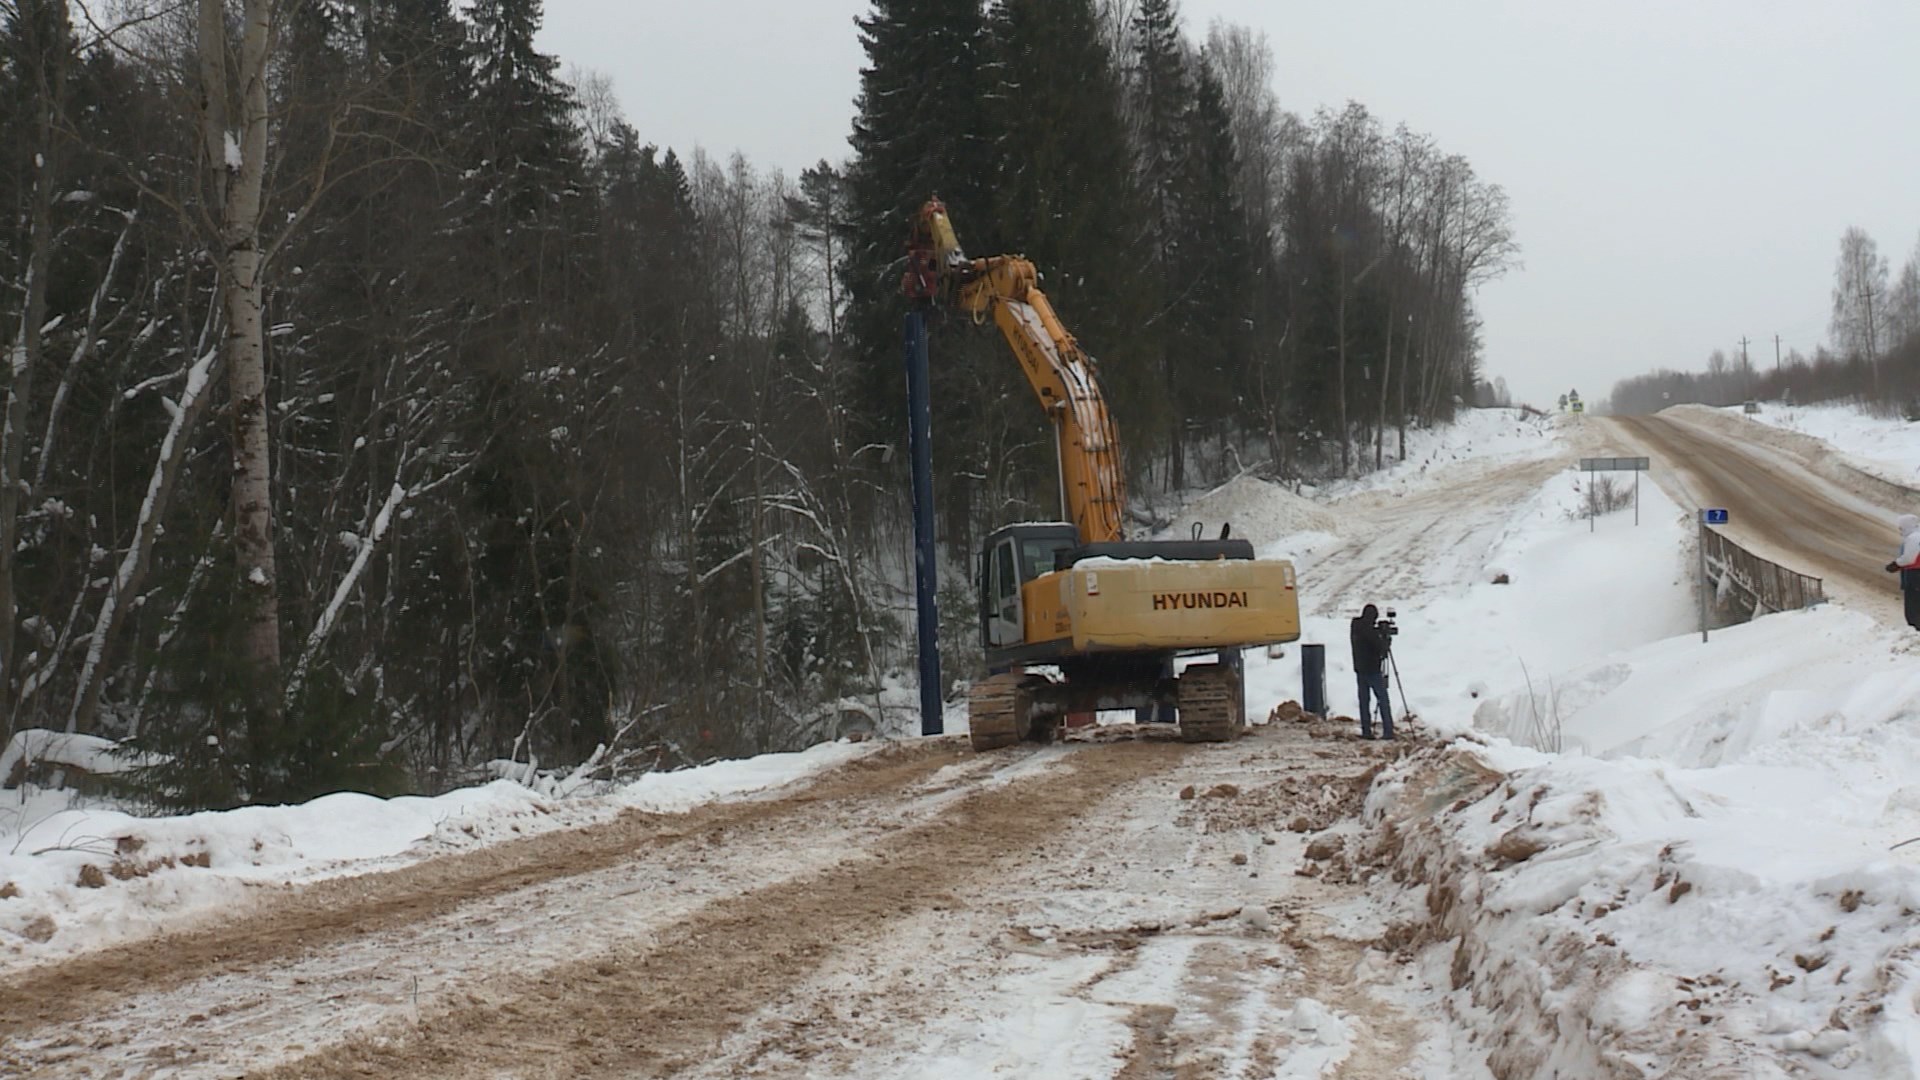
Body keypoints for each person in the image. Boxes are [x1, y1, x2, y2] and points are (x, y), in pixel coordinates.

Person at [1349, 604, 1394, 739]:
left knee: (1364, 701)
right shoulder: (1370, 632)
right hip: (1372, 670)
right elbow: (1382, 650)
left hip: (1359, 669)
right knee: (1383, 699)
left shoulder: (1356, 627)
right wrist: (1386, 638)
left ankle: (1366, 731)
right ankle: (1388, 731)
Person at [1885, 514, 1920, 630]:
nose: (1900, 531)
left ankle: (1915, 629)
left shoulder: (1914, 538)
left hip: (1915, 574)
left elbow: (1909, 558)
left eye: (1901, 528)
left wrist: (1896, 564)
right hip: (1915, 573)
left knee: (1913, 605)